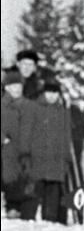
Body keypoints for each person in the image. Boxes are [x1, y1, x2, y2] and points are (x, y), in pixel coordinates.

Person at [29, 80, 73, 223]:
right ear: (44, 93)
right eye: (49, 92)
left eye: (54, 92)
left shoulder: (63, 111)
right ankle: (31, 222)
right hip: (39, 158)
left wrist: (66, 158)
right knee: (35, 194)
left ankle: (50, 222)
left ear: (58, 94)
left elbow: (66, 136)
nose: (51, 96)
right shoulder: (35, 108)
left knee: (53, 193)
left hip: (56, 160)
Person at [1, 71, 38, 219]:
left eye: (19, 86)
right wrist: (3, 139)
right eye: (13, 86)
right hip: (7, 150)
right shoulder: (2, 105)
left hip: (27, 150)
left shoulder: (30, 105)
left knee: (28, 181)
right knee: (10, 179)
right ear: (7, 87)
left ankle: (28, 214)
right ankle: (11, 208)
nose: (16, 89)